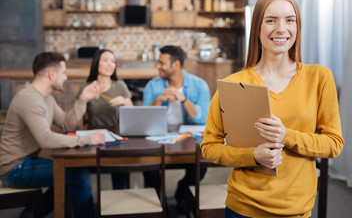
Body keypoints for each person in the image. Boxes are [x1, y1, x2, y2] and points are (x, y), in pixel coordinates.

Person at [201, 0, 344, 218]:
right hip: (243, 208)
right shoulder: (233, 84)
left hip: (295, 209)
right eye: (271, 20)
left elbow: (334, 144)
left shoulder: (319, 77)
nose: (281, 29)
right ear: (257, 26)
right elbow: (209, 147)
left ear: (297, 26)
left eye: (290, 20)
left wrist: (286, 135)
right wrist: (253, 156)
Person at [0, 52, 105, 218]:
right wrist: (87, 139)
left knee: (71, 173)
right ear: (51, 74)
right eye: (63, 72)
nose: (66, 77)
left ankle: (30, 215)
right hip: (14, 168)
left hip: (26, 162)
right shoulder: (30, 99)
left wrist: (83, 100)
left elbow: (66, 123)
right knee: (78, 175)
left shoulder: (45, 98)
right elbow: (45, 139)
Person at [143, 45, 211, 212]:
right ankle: (159, 203)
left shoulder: (199, 85)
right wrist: (158, 101)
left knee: (200, 165)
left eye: (162, 63)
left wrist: (183, 99)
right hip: (158, 139)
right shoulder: (153, 86)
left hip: (188, 139)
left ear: (177, 65)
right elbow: (144, 120)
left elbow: (204, 119)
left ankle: (182, 191)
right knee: (149, 166)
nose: (158, 66)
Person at [77, 49, 133, 189]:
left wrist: (124, 101)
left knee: (119, 165)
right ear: (97, 64)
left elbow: (133, 112)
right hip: (94, 140)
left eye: (113, 61)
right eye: (106, 60)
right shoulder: (87, 87)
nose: (110, 64)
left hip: (117, 140)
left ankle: (119, 202)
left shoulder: (119, 85)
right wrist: (85, 99)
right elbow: (77, 116)